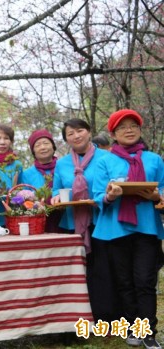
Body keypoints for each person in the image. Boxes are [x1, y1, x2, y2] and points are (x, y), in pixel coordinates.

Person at [92, 110, 164, 348]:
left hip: (147, 229)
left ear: (140, 130)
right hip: (115, 229)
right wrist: (111, 196)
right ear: (113, 133)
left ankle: (149, 332)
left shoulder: (154, 159)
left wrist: (156, 196)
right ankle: (134, 327)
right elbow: (97, 196)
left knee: (144, 280)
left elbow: (162, 191)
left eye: (134, 125)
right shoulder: (104, 160)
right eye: (122, 127)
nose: (129, 130)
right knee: (124, 281)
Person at [50, 118, 119, 325]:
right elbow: (56, 189)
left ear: (89, 132)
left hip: (102, 221)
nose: (76, 136)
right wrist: (55, 197)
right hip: (73, 223)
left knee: (104, 270)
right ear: (66, 140)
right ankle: (84, 316)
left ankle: (107, 317)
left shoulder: (107, 157)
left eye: (80, 131)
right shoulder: (62, 163)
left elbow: (117, 184)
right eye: (70, 134)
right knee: (80, 271)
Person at [19, 129, 62, 232]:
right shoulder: (26, 174)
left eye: (46, 143)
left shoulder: (64, 167)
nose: (43, 147)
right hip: (38, 220)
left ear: (53, 146)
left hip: (65, 218)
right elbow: (23, 198)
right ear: (33, 151)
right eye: (37, 145)